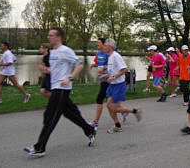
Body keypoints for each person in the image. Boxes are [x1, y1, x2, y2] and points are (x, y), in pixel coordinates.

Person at [24, 27, 97, 157]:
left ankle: (40, 148)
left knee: (51, 116)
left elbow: (79, 64)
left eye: (51, 35)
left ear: (58, 37)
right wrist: (47, 70)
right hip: (56, 88)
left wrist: (69, 78)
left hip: (62, 89)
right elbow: (55, 70)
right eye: (48, 35)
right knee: (70, 113)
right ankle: (90, 130)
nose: (48, 37)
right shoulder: (53, 52)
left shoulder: (66, 50)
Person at [101, 39, 142, 133]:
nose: (104, 47)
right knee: (108, 105)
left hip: (119, 85)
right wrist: (107, 75)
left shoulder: (116, 56)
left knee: (115, 108)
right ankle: (117, 125)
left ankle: (134, 111)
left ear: (110, 47)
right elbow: (113, 71)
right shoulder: (110, 56)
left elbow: (125, 69)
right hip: (112, 85)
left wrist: (114, 77)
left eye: (105, 45)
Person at [88, 38, 109, 127]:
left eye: (99, 43)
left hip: (108, 79)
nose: (97, 44)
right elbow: (97, 63)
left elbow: (112, 66)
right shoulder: (98, 53)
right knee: (111, 103)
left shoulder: (108, 54)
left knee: (99, 99)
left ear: (104, 44)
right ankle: (124, 112)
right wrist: (93, 65)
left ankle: (95, 122)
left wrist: (104, 69)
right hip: (102, 79)